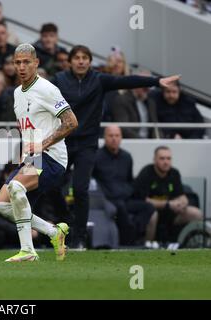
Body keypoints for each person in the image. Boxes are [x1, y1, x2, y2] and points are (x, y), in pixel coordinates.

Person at [53, 45, 180, 249]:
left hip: (87, 144)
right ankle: (66, 221)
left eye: (85, 57)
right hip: (63, 142)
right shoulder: (58, 80)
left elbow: (127, 81)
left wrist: (155, 81)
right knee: (52, 186)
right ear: (70, 61)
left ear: (90, 61)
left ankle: (79, 238)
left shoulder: (99, 80)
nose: (81, 61)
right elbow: (38, 94)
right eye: (76, 57)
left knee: (80, 190)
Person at [0, 43, 78, 262]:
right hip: (32, 158)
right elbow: (28, 130)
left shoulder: (47, 89)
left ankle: (28, 251)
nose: (22, 67)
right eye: (17, 62)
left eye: (26, 62)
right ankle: (53, 232)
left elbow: (71, 122)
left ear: (36, 63)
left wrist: (44, 144)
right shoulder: (17, 93)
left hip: (52, 157)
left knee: (16, 187)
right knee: (1, 204)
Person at [92, 126, 157, 245]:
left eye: (117, 136)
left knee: (149, 207)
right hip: (107, 200)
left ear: (121, 138)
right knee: (121, 208)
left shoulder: (127, 157)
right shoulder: (96, 157)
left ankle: (137, 234)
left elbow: (129, 180)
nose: (114, 139)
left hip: (126, 199)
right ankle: (128, 242)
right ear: (104, 137)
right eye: (111, 135)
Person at [133, 146, 203, 243]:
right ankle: (148, 247)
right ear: (155, 160)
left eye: (168, 158)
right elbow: (144, 200)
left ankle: (185, 244)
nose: (166, 162)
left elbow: (181, 194)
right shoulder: (146, 172)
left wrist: (183, 203)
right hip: (151, 211)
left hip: (171, 212)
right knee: (152, 215)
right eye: (162, 158)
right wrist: (168, 204)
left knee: (196, 214)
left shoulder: (174, 173)